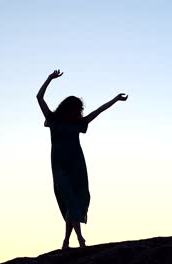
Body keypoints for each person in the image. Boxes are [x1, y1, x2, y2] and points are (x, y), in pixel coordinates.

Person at [36, 69, 128, 249]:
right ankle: (80, 239)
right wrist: (49, 79)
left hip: (77, 165)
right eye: (75, 109)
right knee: (69, 199)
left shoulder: (79, 123)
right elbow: (39, 97)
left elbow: (99, 111)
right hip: (60, 166)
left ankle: (66, 242)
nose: (78, 112)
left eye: (79, 110)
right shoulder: (53, 119)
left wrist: (115, 100)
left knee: (76, 202)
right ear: (67, 108)